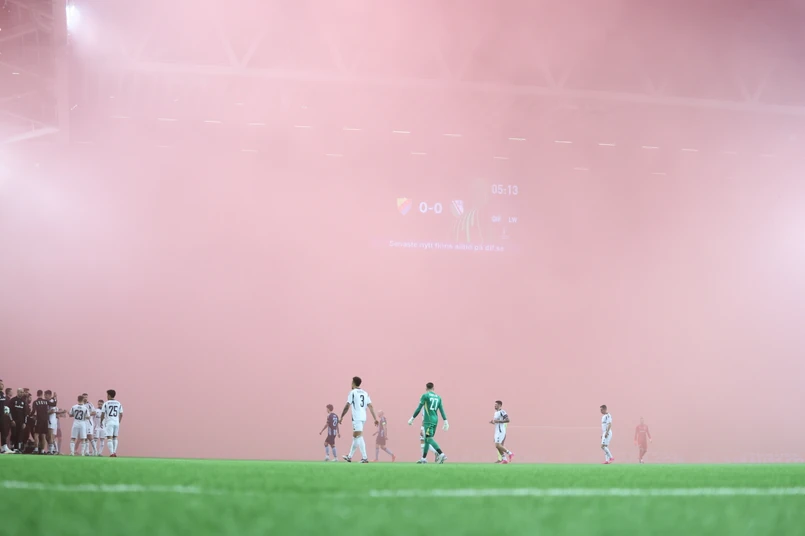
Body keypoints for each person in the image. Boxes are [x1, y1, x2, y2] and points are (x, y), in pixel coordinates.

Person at [339, 376, 378, 463]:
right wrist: (375, 418)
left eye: (351, 382)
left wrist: (341, 416)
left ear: (353, 383)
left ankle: (365, 458)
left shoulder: (352, 392)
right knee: (356, 437)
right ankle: (349, 457)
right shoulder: (365, 393)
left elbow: (347, 405)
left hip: (357, 417)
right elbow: (370, 406)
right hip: (363, 417)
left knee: (359, 436)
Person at [407, 382, 448, 464]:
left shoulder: (425, 396)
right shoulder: (438, 397)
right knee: (427, 440)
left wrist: (412, 418)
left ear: (426, 388)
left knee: (429, 439)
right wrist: (445, 421)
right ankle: (423, 458)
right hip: (435, 420)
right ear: (433, 388)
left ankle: (441, 454)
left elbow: (419, 408)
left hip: (428, 420)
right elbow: (441, 410)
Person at [101, 389, 123, 457]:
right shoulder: (118, 403)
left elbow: (103, 413)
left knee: (109, 438)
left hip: (109, 422)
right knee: (115, 437)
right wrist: (118, 421)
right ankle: (114, 452)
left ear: (109, 395)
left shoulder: (106, 403)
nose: (107, 396)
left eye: (107, 395)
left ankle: (111, 453)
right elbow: (121, 414)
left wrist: (101, 421)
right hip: (116, 422)